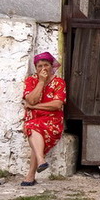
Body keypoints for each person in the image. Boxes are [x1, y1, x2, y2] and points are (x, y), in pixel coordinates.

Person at [20, 51, 67, 186]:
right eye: (39, 66)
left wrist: (34, 107)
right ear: (36, 68)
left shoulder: (59, 82)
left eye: (46, 65)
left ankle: (31, 174)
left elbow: (57, 104)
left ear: (51, 66)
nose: (43, 69)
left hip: (53, 121)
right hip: (34, 120)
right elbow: (31, 99)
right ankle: (40, 163)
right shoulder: (31, 81)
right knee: (33, 127)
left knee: (33, 129)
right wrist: (41, 82)